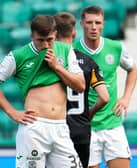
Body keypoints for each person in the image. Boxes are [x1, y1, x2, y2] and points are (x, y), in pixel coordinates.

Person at [0, 15, 85, 168]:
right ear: (32, 35)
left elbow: (80, 85)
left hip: (61, 128)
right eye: (41, 40)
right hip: (34, 129)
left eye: (50, 40)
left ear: (55, 34)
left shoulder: (65, 50)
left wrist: (57, 67)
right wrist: (11, 111)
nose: (46, 45)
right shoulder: (18, 56)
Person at [73, 5, 137, 168]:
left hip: (113, 124)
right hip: (86, 126)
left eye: (97, 22)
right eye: (89, 22)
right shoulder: (72, 50)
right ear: (81, 24)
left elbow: (133, 70)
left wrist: (126, 98)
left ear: (103, 24)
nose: (93, 27)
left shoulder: (115, 47)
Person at [54, 12, 109, 168]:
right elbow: (104, 97)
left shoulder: (49, 61)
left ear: (54, 33)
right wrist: (89, 113)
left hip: (56, 129)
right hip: (81, 131)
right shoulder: (88, 62)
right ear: (74, 33)